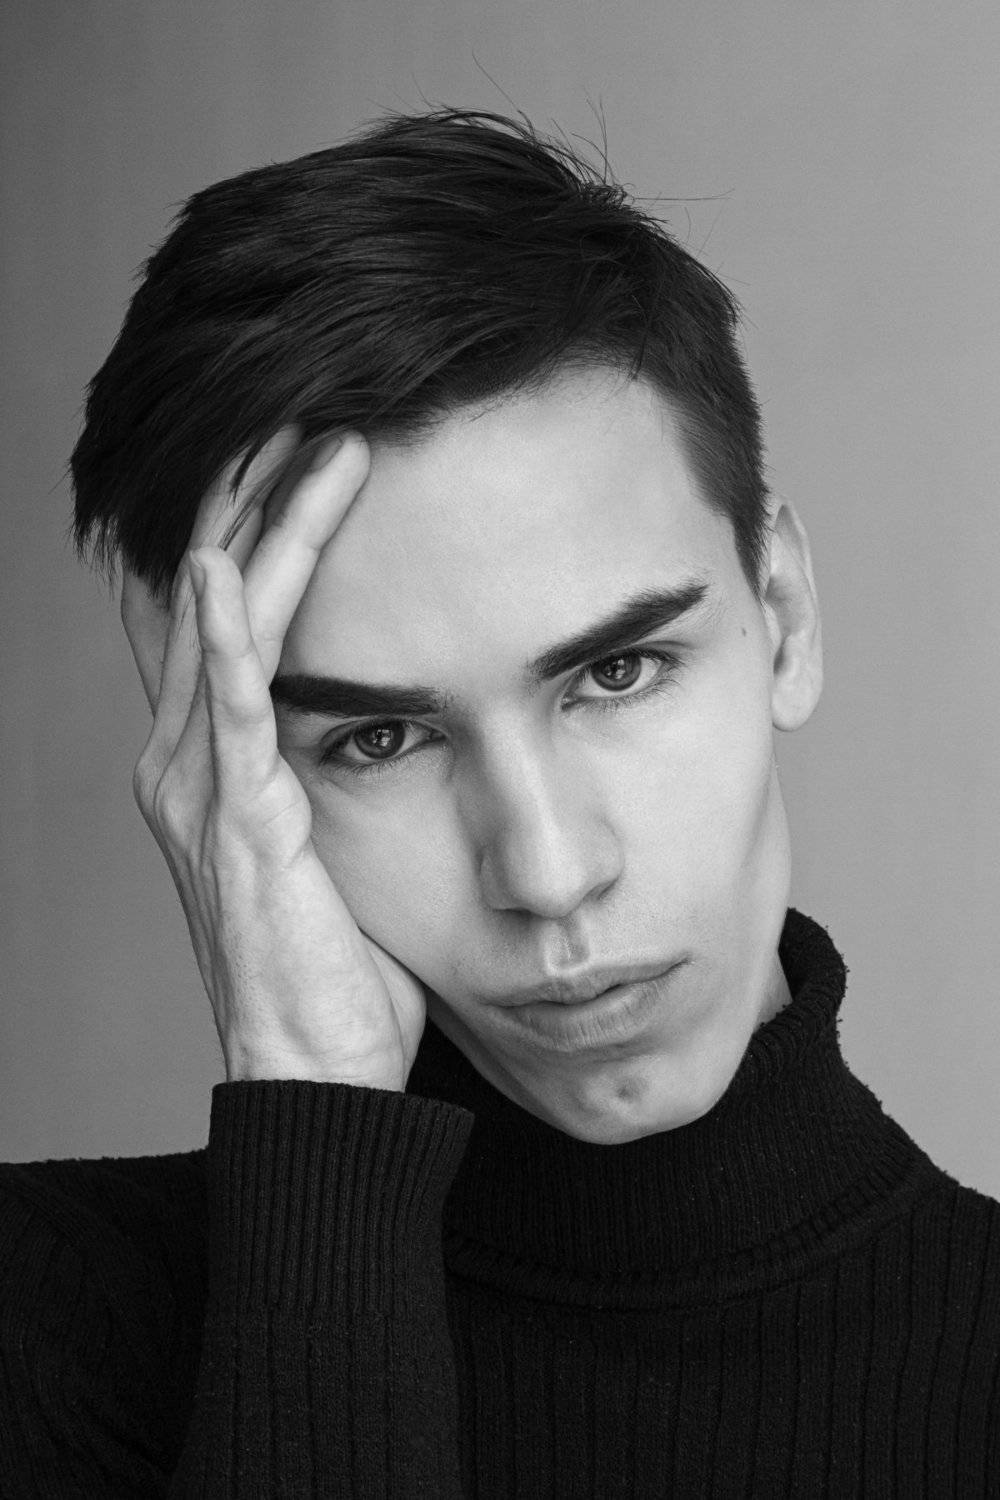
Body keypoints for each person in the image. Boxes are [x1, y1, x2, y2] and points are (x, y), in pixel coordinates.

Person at [0, 107, 996, 1498]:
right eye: (380, 738)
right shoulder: (47, 1330)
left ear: (782, 612)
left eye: (617, 672)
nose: (546, 870)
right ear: (220, 768)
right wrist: (318, 1126)